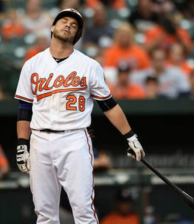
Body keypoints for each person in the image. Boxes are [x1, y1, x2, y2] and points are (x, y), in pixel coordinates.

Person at [14, 8, 145, 224]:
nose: (68, 25)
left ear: (77, 35)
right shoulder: (32, 64)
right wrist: (22, 144)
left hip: (74, 138)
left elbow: (109, 105)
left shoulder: (89, 65)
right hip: (39, 139)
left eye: (74, 25)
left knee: (83, 210)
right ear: (52, 27)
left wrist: (131, 136)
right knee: (44, 213)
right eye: (64, 21)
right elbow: (24, 109)